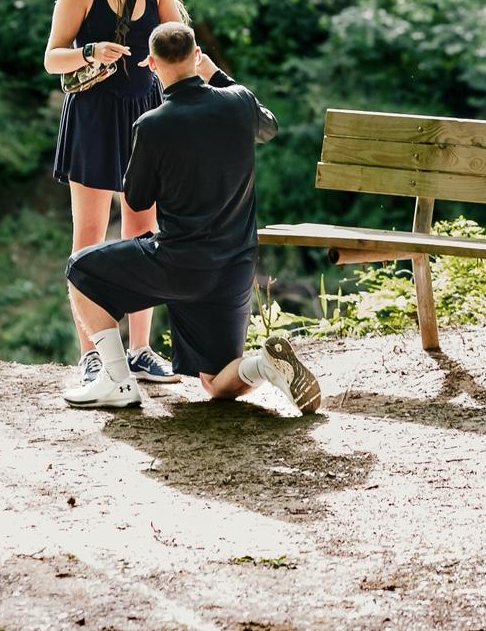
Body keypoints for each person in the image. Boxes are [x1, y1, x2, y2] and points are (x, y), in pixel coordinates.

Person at [61, 20, 321, 414]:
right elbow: (269, 126)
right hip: (235, 267)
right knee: (216, 383)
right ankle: (264, 366)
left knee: (79, 269)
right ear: (197, 56)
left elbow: (137, 199)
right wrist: (216, 74)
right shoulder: (239, 101)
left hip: (178, 265)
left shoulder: (153, 124)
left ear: (151, 64)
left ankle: (116, 379)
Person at [44, 0, 186, 388]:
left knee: (143, 236)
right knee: (88, 238)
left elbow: (182, 46)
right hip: (93, 116)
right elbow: (51, 59)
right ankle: (92, 355)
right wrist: (90, 51)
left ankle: (140, 350)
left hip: (144, 115)